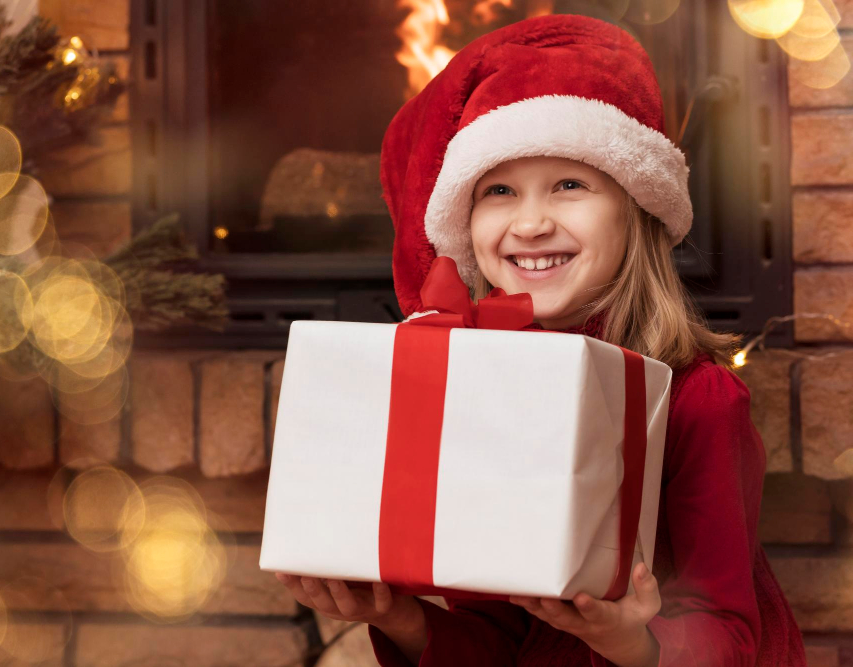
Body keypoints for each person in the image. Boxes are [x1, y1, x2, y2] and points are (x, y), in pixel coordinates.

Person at [274, 12, 806, 667]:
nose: (529, 222)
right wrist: (400, 616)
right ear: (466, 226)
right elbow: (501, 643)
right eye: (499, 190)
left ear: (634, 208)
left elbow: (731, 635)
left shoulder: (699, 397)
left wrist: (627, 639)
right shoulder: (486, 396)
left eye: (569, 185)